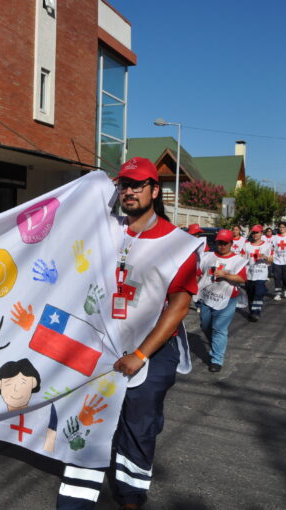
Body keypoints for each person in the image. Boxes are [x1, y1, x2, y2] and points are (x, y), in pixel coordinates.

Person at [57, 157, 200, 510]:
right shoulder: (106, 231)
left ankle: (131, 497)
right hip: (101, 345)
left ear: (155, 190)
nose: (130, 191)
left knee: (138, 429)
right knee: (87, 420)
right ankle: (74, 502)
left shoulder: (179, 243)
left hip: (150, 350)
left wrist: (140, 355)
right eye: (124, 185)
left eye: (138, 185)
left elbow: (178, 307)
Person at [197, 229, 247, 372]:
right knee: (205, 326)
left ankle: (216, 359)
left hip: (228, 299)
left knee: (219, 328)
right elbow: (199, 274)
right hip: (207, 296)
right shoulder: (208, 257)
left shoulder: (238, 260)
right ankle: (216, 346)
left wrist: (226, 275)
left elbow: (242, 279)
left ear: (231, 243)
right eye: (219, 242)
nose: (222, 245)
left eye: (225, 243)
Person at [244, 225, 273, 322]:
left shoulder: (267, 245)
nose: (255, 234)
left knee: (259, 293)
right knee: (251, 295)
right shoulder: (247, 245)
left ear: (261, 233)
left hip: (261, 274)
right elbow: (242, 259)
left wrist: (265, 257)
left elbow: (272, 260)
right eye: (253, 232)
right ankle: (252, 312)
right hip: (249, 274)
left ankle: (256, 313)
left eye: (257, 232)